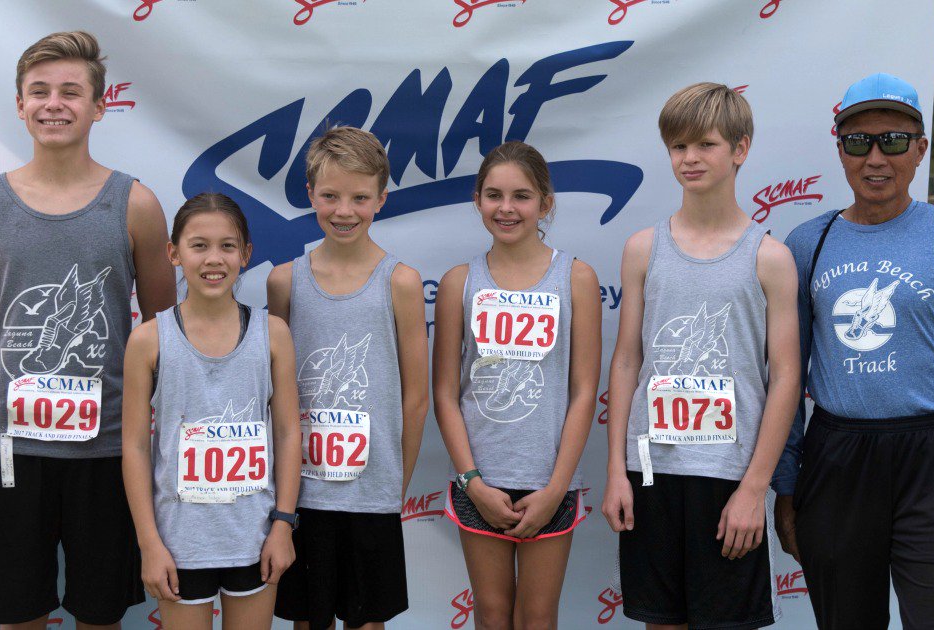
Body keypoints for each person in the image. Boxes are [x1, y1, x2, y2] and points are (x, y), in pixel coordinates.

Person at [0, 31, 176, 628]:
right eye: (40, 91)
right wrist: (9, 381)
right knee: (16, 610)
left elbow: (162, 330)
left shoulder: (135, 204)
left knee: (99, 612)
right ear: (20, 105)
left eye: (71, 92)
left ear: (99, 106)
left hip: (106, 449)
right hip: (11, 448)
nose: (54, 103)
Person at [772, 73, 934, 630]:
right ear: (840, 150)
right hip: (837, 455)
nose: (875, 158)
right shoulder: (806, 244)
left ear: (919, 150)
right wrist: (788, 483)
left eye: (892, 141)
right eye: (857, 141)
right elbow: (786, 378)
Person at [600, 82, 799, 630]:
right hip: (652, 473)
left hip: (728, 476)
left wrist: (754, 487)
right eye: (678, 146)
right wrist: (617, 470)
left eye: (705, 144)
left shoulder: (770, 258)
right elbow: (625, 361)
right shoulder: (644, 248)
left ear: (740, 148)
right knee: (661, 621)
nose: (689, 158)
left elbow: (784, 378)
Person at [432, 140, 601, 629]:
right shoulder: (458, 283)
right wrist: (473, 482)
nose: (506, 208)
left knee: (536, 616)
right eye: (494, 195)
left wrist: (556, 487)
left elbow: (584, 391)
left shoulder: (577, 278)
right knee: (491, 613)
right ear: (477, 200)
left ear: (545, 204)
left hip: (550, 480)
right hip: (480, 480)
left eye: (522, 196)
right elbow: (445, 393)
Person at [267, 126, 429, 630]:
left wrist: (393, 483)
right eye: (330, 196)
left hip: (371, 490)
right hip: (303, 491)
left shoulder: (399, 281)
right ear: (310, 194)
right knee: (306, 619)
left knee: (366, 620)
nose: (344, 210)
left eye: (360, 197)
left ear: (381, 199)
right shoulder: (284, 281)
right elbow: (276, 391)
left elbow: (417, 396)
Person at [121, 193, 300, 629]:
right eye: (199, 245)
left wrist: (283, 525)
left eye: (227, 246)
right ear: (174, 253)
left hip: (254, 538)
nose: (213, 258)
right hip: (179, 540)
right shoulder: (148, 339)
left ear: (246, 254)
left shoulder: (272, 333)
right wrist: (149, 543)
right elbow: (134, 448)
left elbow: (288, 433)